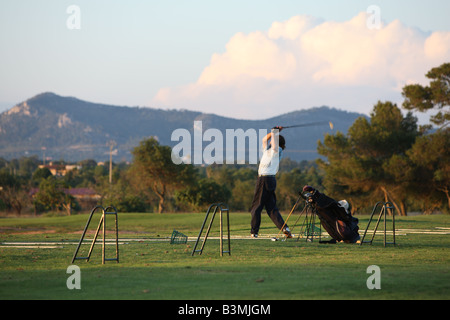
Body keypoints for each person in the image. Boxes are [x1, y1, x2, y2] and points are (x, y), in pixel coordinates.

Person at [249, 126, 292, 238]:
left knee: (256, 207)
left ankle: (254, 232)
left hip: (264, 180)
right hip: (270, 180)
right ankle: (285, 228)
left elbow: (273, 143)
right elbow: (264, 140)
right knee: (271, 208)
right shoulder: (268, 151)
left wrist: (275, 132)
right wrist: (273, 132)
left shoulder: (277, 150)